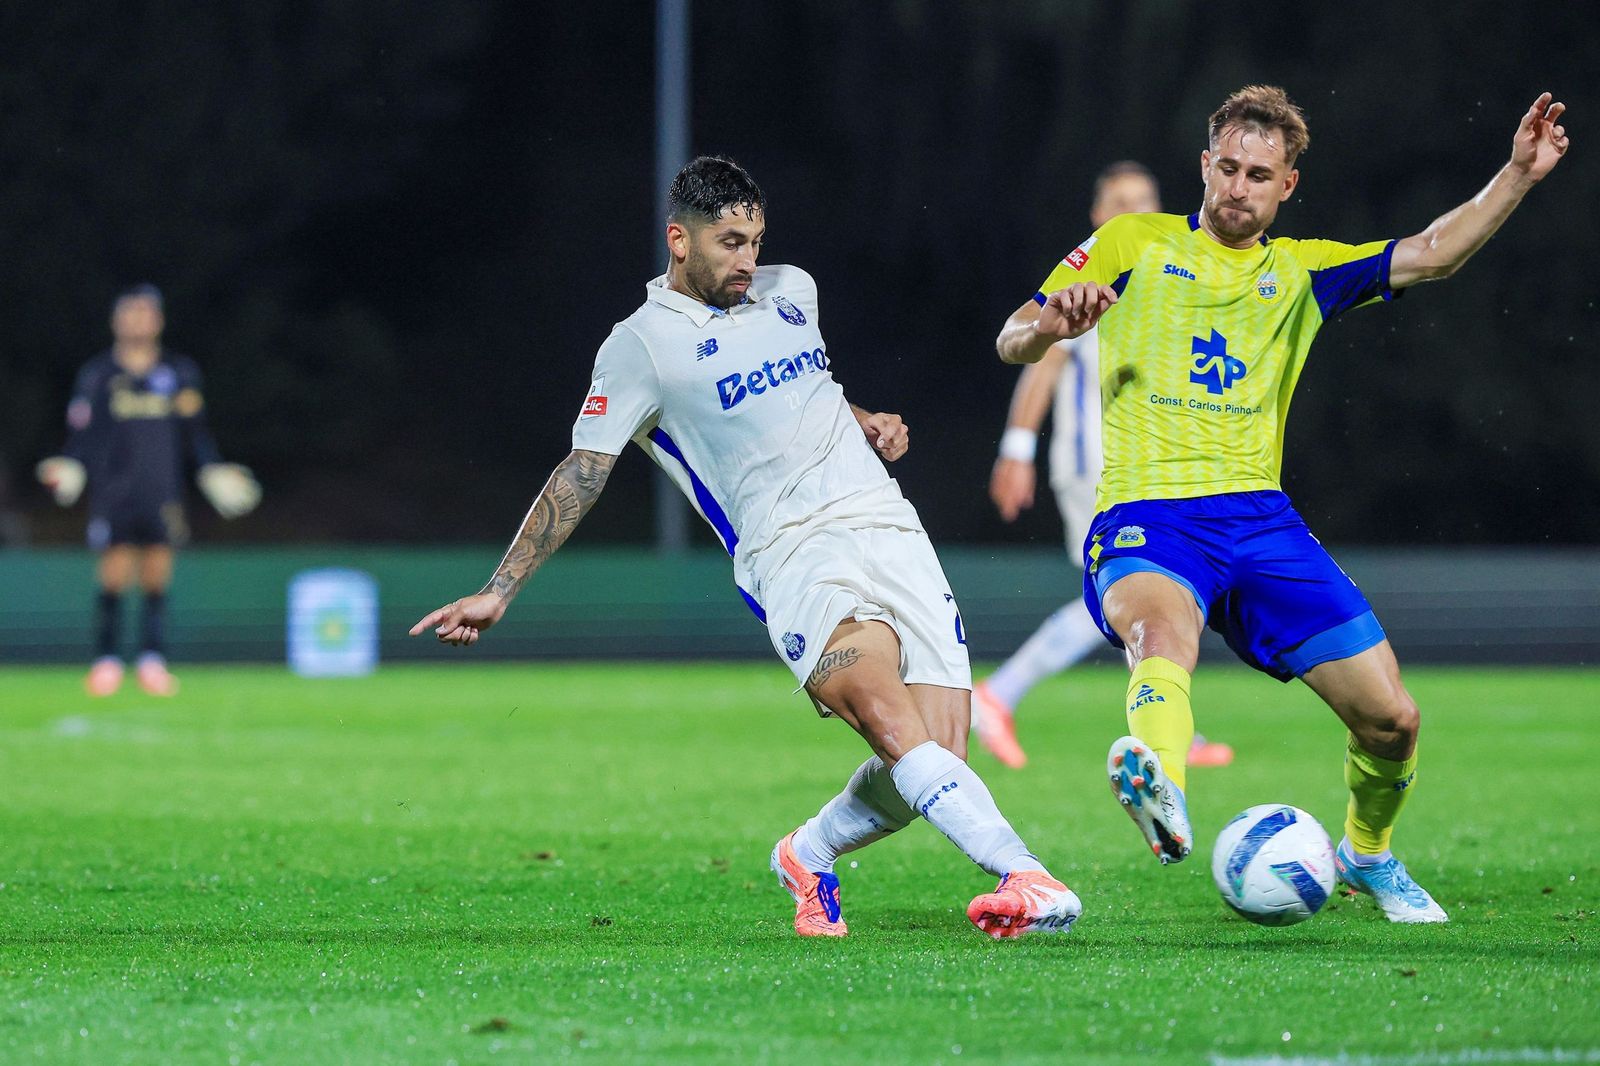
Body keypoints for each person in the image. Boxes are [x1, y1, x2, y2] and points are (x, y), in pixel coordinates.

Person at [411, 156, 1081, 940]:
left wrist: (863, 421)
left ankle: (808, 851)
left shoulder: (792, 291)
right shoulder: (641, 348)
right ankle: (1025, 876)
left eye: (756, 240)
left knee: (941, 754)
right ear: (679, 239)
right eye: (730, 242)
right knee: (885, 714)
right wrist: (501, 589)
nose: (748, 260)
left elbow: (806, 390)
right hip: (790, 554)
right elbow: (583, 471)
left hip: (887, 524)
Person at [996, 87, 1569, 923]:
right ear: (1204, 164)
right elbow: (1013, 336)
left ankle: (1367, 856)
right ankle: (1164, 788)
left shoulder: (1301, 271)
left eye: (1258, 175)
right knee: (1161, 634)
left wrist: (1518, 174)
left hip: (1263, 525)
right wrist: (1053, 325)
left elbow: (1435, 252)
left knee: (1393, 721)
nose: (1237, 187)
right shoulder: (1135, 242)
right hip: (1150, 516)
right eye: (1226, 168)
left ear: (1287, 186)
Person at [976, 161, 1234, 772]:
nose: (1135, 212)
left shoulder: (1165, 275)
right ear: (1097, 216)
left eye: (1145, 200)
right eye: (1121, 202)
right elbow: (1046, 358)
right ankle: (999, 695)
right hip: (1095, 464)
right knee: (1131, 589)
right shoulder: (1094, 279)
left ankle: (1161, 724)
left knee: (1138, 591)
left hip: (1141, 466)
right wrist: (1016, 447)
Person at [37, 285, 261, 696]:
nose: (138, 321)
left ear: (158, 321)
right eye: (130, 313)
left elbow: (196, 433)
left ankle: (152, 660)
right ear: (116, 321)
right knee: (114, 573)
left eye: (145, 314)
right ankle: (106, 661)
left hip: (162, 489)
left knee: (158, 575)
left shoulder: (179, 373)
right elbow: (81, 433)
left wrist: (211, 470)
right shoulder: (99, 374)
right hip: (114, 489)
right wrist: (72, 464)